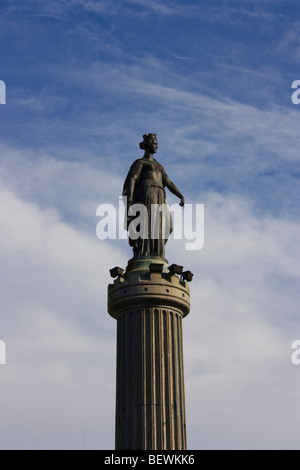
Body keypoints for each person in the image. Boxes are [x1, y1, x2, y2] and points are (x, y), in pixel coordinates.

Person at [123, 133, 185, 258]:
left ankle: (157, 252)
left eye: (157, 144)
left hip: (160, 196)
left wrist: (180, 195)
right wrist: (129, 200)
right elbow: (132, 179)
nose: (157, 146)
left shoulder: (159, 165)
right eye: (154, 143)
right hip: (147, 195)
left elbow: (168, 182)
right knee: (148, 225)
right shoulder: (140, 162)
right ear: (147, 145)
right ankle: (146, 253)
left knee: (167, 226)